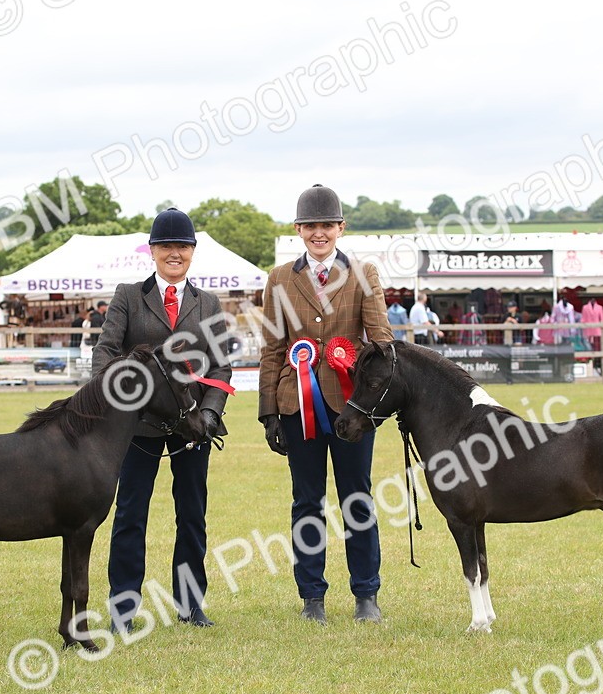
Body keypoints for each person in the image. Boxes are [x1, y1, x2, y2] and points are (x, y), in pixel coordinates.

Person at [258, 183, 393, 625]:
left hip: (351, 406)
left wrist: (376, 401)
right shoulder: (280, 278)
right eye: (311, 225)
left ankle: (366, 593)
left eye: (327, 225)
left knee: (357, 498)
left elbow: (382, 343)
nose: (319, 233)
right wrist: (268, 411)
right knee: (306, 501)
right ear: (298, 229)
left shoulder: (363, 273)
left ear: (341, 227)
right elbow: (273, 348)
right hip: (296, 405)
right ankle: (311, 596)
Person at [92, 207, 233, 631]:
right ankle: (123, 608)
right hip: (139, 427)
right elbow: (105, 353)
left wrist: (209, 413)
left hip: (193, 424)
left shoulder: (208, 303)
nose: (175, 253)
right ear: (152, 250)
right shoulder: (128, 296)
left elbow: (221, 365)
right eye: (166, 246)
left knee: (192, 515)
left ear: (193, 251)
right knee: (130, 514)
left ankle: (190, 604)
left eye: (183, 247)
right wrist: (122, 399)